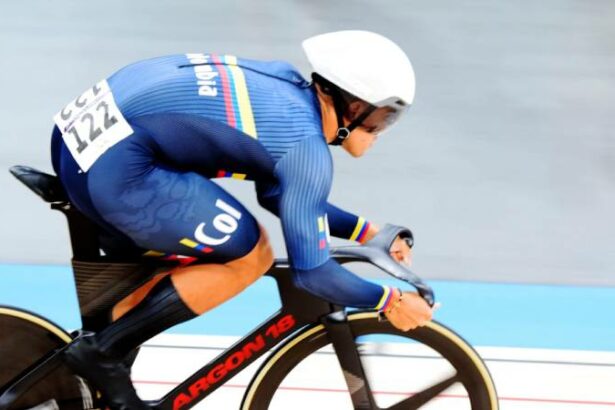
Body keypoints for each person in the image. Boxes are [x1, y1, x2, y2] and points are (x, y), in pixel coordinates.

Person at [51, 30, 433, 408]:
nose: (381, 131)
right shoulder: (306, 150)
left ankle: (100, 362)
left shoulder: (285, 85)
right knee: (252, 254)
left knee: (142, 287)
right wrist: (391, 300)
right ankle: (102, 353)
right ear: (352, 106)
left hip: (79, 145)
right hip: (120, 171)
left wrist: (369, 232)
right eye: (382, 117)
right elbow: (313, 273)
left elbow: (278, 194)